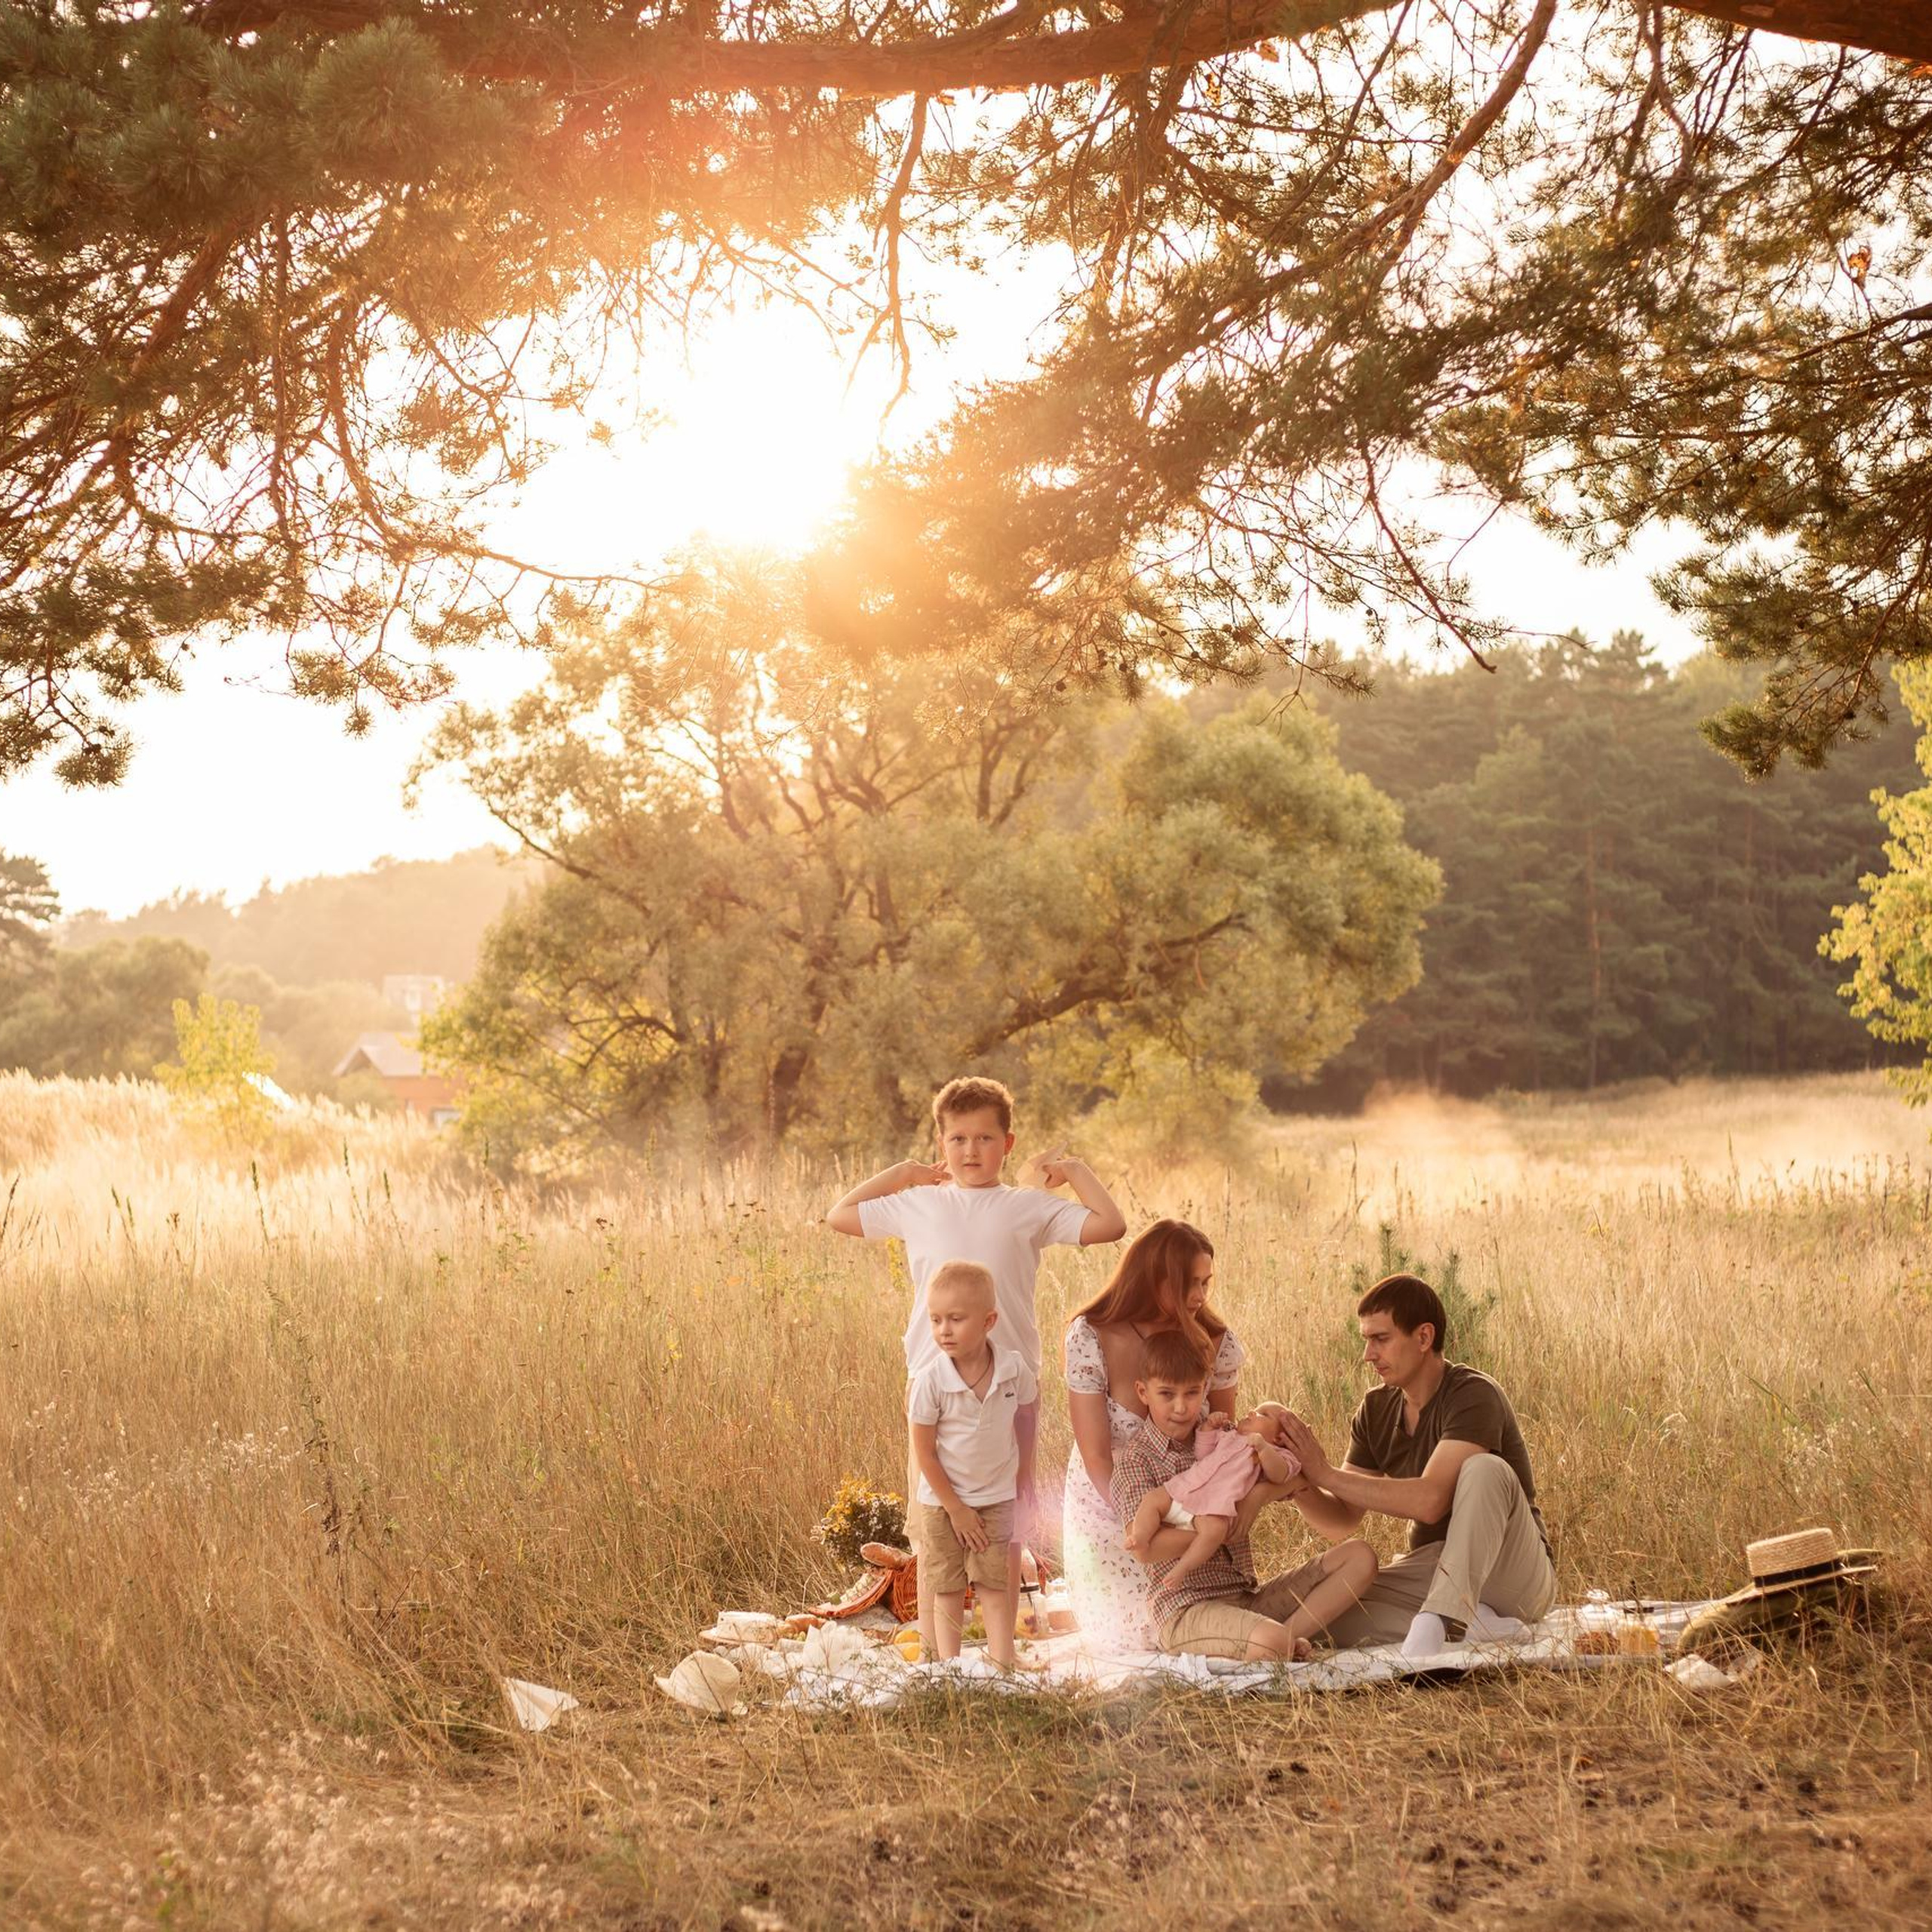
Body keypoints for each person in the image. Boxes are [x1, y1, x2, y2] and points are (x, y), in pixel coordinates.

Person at [826, 1075, 1126, 1647]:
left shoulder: (1026, 1208)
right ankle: (943, 1651)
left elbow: (1110, 1226)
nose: (970, 1152)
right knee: (936, 1519)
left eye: (985, 1139)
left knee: (1006, 1518)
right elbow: (840, 1215)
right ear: (941, 1143)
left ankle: (1000, 1649)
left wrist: (1076, 1172)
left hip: (1012, 1389)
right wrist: (902, 1174)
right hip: (935, 1388)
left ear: (1007, 1144)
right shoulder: (919, 1204)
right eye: (958, 1139)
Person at [1277, 1272, 1557, 1659]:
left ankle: (1439, 1621)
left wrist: (1324, 1471)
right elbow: (1340, 1521)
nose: (1368, 1355)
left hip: (1510, 1572)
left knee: (1484, 1470)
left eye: (1381, 1339)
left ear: (1424, 1338)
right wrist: (1299, 1480)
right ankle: (1467, 1625)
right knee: (1327, 1609)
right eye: (1366, 1340)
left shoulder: (1474, 1394)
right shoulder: (1376, 1409)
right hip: (1435, 1567)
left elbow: (1430, 1501)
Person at [1112, 1331, 1379, 1661]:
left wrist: (1258, 1497)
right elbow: (1146, 1550)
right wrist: (1213, 1531)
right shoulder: (1137, 1461)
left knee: (1359, 1557)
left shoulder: (1224, 1438)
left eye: (1192, 1393)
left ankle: (1287, 1640)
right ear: (1143, 1392)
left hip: (1247, 1597)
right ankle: (1277, 1643)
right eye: (1166, 1394)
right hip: (1185, 1608)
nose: (1181, 1407)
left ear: (1204, 1389)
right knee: (1268, 1639)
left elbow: (1295, 1478)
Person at [1061, 1219, 1246, 1651]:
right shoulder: (1092, 1334)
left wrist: (1190, 1521)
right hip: (1110, 1508)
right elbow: (1096, 1457)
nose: (1200, 1296)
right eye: (1188, 1284)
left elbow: (1223, 1450)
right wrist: (1142, 1525)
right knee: (1133, 1639)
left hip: (1192, 1509)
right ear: (1152, 1279)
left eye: (1205, 1282)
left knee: (1201, 1627)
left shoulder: (1215, 1341)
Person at [906, 1260, 1036, 1666]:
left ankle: (1003, 1662)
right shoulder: (931, 1381)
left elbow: (1027, 1419)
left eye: (956, 1319)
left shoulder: (1014, 1370)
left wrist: (1025, 1476)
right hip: (945, 1503)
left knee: (995, 1583)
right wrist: (957, 1509)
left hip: (997, 1496)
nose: (944, 1330)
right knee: (947, 1585)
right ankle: (951, 1667)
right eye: (936, 1320)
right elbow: (924, 1453)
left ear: (989, 1320)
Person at [1124, 1411, 1300, 1587]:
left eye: (1264, 1414)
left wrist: (1264, 1448)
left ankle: (1183, 1567)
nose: (1252, 1412)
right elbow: (1202, 1454)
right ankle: (1140, 1535)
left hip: (1212, 1507)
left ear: (1278, 1438)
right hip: (1184, 1488)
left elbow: (1280, 1474)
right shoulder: (1229, 1435)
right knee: (1152, 1499)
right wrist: (1208, 1428)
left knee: (1215, 1531)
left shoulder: (1276, 1453)